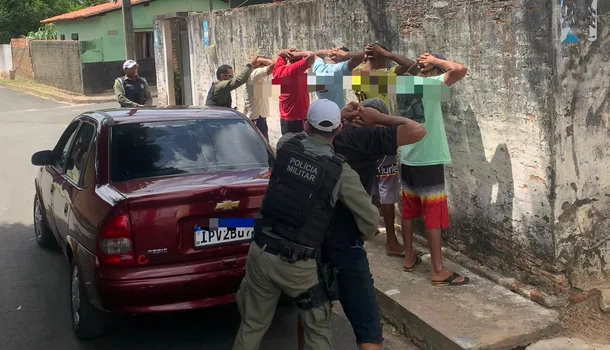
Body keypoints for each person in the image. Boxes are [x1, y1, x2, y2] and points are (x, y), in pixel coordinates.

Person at [232, 99, 380, 350]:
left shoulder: (286, 145)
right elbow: (370, 219)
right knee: (317, 328)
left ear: (305, 124)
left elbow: (299, 136)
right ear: (339, 130)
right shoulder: (339, 171)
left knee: (252, 325)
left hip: (260, 251)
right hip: (297, 265)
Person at [318, 98, 425, 350]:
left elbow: (308, 132)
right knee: (369, 331)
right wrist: (380, 119)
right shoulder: (368, 140)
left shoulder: (330, 138)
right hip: (347, 244)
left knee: (315, 320)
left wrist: (342, 118)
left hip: (315, 237)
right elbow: (417, 130)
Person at [399, 52, 469, 285]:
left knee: (408, 210)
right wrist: (438, 62)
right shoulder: (430, 85)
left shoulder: (403, 84)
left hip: (408, 156)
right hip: (428, 159)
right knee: (433, 214)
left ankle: (409, 256)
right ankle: (437, 269)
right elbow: (459, 69)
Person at [352, 43, 418, 257]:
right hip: (381, 136)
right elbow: (412, 67)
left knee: (364, 186)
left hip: (360, 133)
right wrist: (387, 54)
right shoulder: (383, 74)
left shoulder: (356, 73)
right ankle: (391, 240)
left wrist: (369, 55)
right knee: (386, 189)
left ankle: (362, 232)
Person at [272, 49, 316, 135]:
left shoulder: (278, 69)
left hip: (286, 118)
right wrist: (295, 54)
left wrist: (286, 52)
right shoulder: (292, 71)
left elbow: (280, 55)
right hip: (297, 119)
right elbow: (311, 56)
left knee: (288, 144)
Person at [243, 56, 276, 140]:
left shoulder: (257, 79)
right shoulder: (254, 74)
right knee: (262, 148)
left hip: (258, 118)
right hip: (256, 120)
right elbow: (275, 64)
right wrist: (258, 59)